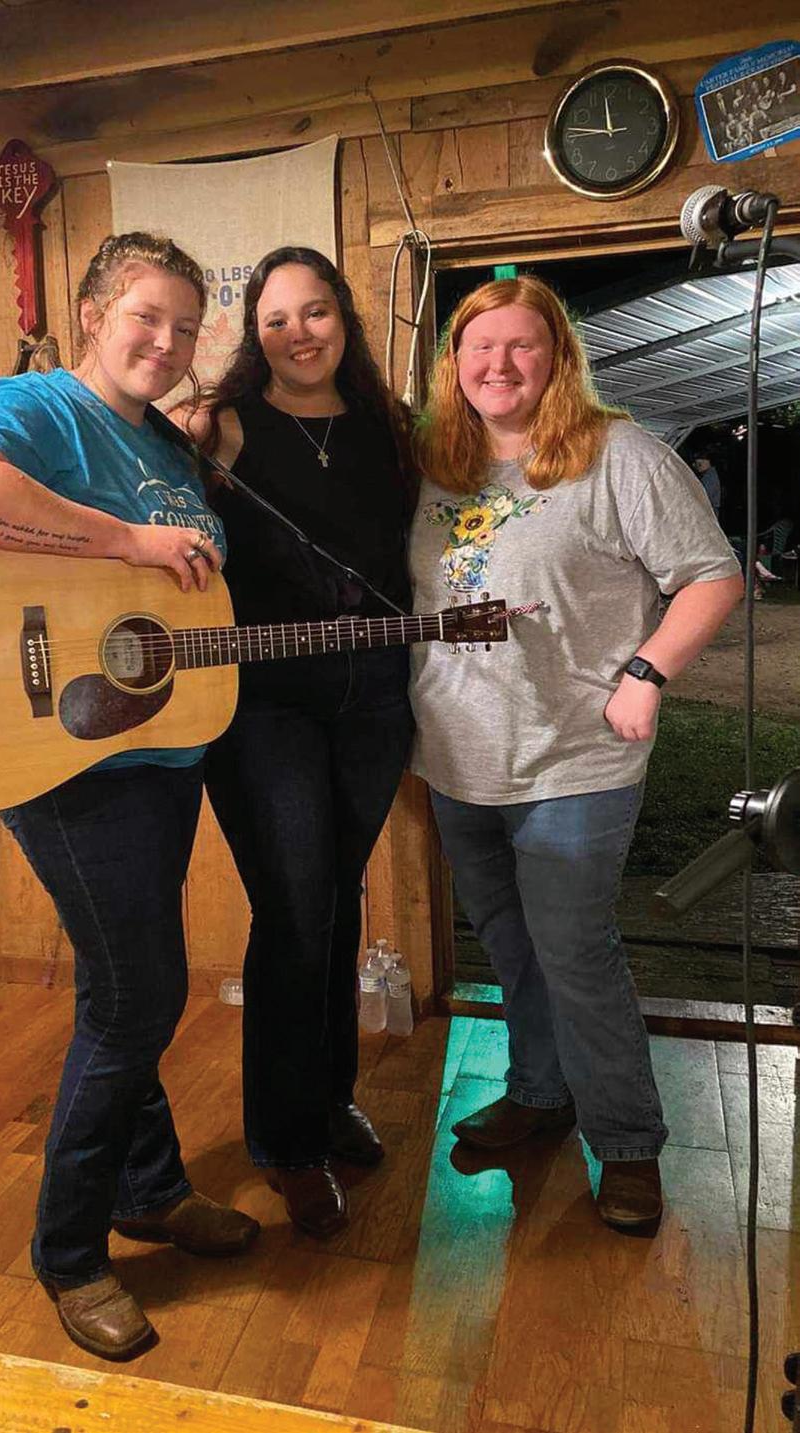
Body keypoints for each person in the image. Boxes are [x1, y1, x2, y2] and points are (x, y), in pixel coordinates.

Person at [0, 232, 258, 1363]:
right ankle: (68, 1251)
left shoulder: (162, 439)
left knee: (130, 985)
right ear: (93, 312)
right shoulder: (38, 406)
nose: (165, 342)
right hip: (60, 757)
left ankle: (150, 1189)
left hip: (152, 750)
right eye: (145, 316)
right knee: (138, 995)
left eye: (184, 326)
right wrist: (127, 538)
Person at [411, 276, 742, 1232]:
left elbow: (710, 575)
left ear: (557, 356)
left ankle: (628, 1141)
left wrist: (645, 672)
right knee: (508, 943)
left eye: (521, 345)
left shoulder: (615, 453)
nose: (499, 364)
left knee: (574, 951)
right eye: (479, 347)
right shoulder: (434, 463)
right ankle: (539, 1090)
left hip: (574, 760)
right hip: (456, 755)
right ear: (454, 364)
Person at [180, 247, 417, 1238]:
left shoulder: (389, 426)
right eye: (276, 319)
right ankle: (285, 1143)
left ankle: (326, 1098)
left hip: (374, 698)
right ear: (254, 332)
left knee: (337, 897)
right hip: (264, 704)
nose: (298, 333)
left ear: (343, 317)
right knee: (292, 906)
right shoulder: (221, 426)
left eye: (314, 311)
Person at [691, 453, 722, 522]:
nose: (696, 466)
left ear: (707, 462)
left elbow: (705, 496)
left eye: (699, 464)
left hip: (709, 510)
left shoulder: (710, 477)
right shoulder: (708, 475)